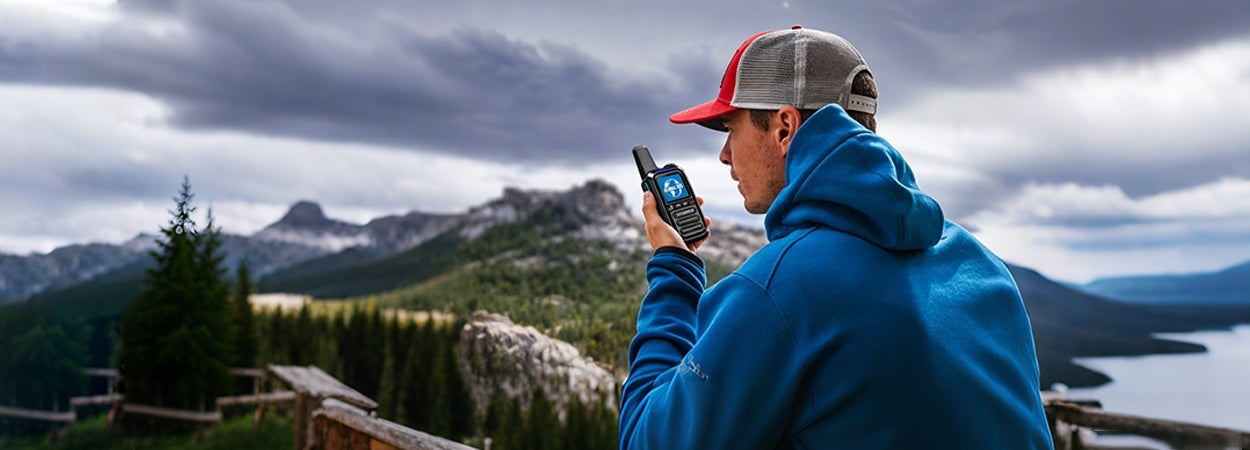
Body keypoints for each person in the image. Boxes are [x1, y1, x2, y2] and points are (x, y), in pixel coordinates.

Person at [619, 26, 1054, 449]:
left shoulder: (777, 291)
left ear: (784, 128)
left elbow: (645, 440)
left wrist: (673, 271)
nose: (724, 154)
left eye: (731, 127)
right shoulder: (981, 265)